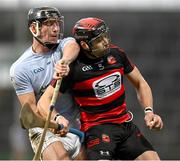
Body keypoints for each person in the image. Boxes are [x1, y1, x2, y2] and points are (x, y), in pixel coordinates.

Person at [37, 17, 163, 160]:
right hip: (97, 130)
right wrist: (57, 118)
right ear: (84, 45)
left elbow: (140, 83)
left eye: (105, 36)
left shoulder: (116, 54)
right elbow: (43, 102)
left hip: (125, 126)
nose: (105, 42)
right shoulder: (72, 69)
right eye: (99, 40)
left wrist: (149, 112)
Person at [10, 6, 85, 160]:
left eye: (57, 23)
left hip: (76, 125)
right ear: (34, 28)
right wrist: (56, 119)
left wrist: (65, 61)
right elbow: (31, 110)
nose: (56, 29)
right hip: (46, 128)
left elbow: (73, 45)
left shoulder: (63, 47)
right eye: (50, 24)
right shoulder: (20, 68)